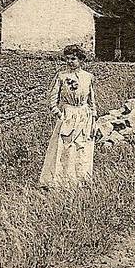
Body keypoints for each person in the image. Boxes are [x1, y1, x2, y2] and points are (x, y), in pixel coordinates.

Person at [39, 44, 97, 188]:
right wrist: (59, 114)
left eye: (74, 59)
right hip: (68, 115)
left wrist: (93, 117)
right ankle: (62, 181)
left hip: (84, 115)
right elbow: (52, 99)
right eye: (68, 59)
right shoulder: (62, 76)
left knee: (82, 147)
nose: (70, 62)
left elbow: (92, 100)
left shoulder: (88, 77)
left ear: (81, 60)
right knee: (65, 147)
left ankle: (81, 180)